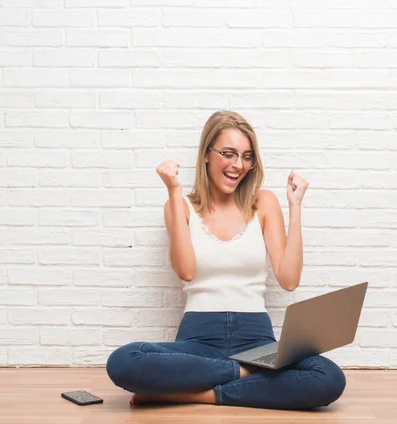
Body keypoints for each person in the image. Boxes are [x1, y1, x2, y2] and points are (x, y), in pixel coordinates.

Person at [105, 110, 346, 410]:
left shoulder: (264, 202)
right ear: (206, 154)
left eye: (246, 156)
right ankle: (247, 375)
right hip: (198, 340)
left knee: (329, 377)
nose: (238, 165)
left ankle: (196, 394)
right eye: (228, 154)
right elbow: (186, 271)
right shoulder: (179, 206)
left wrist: (295, 207)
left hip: (256, 339)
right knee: (123, 361)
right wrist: (174, 190)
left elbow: (289, 279)